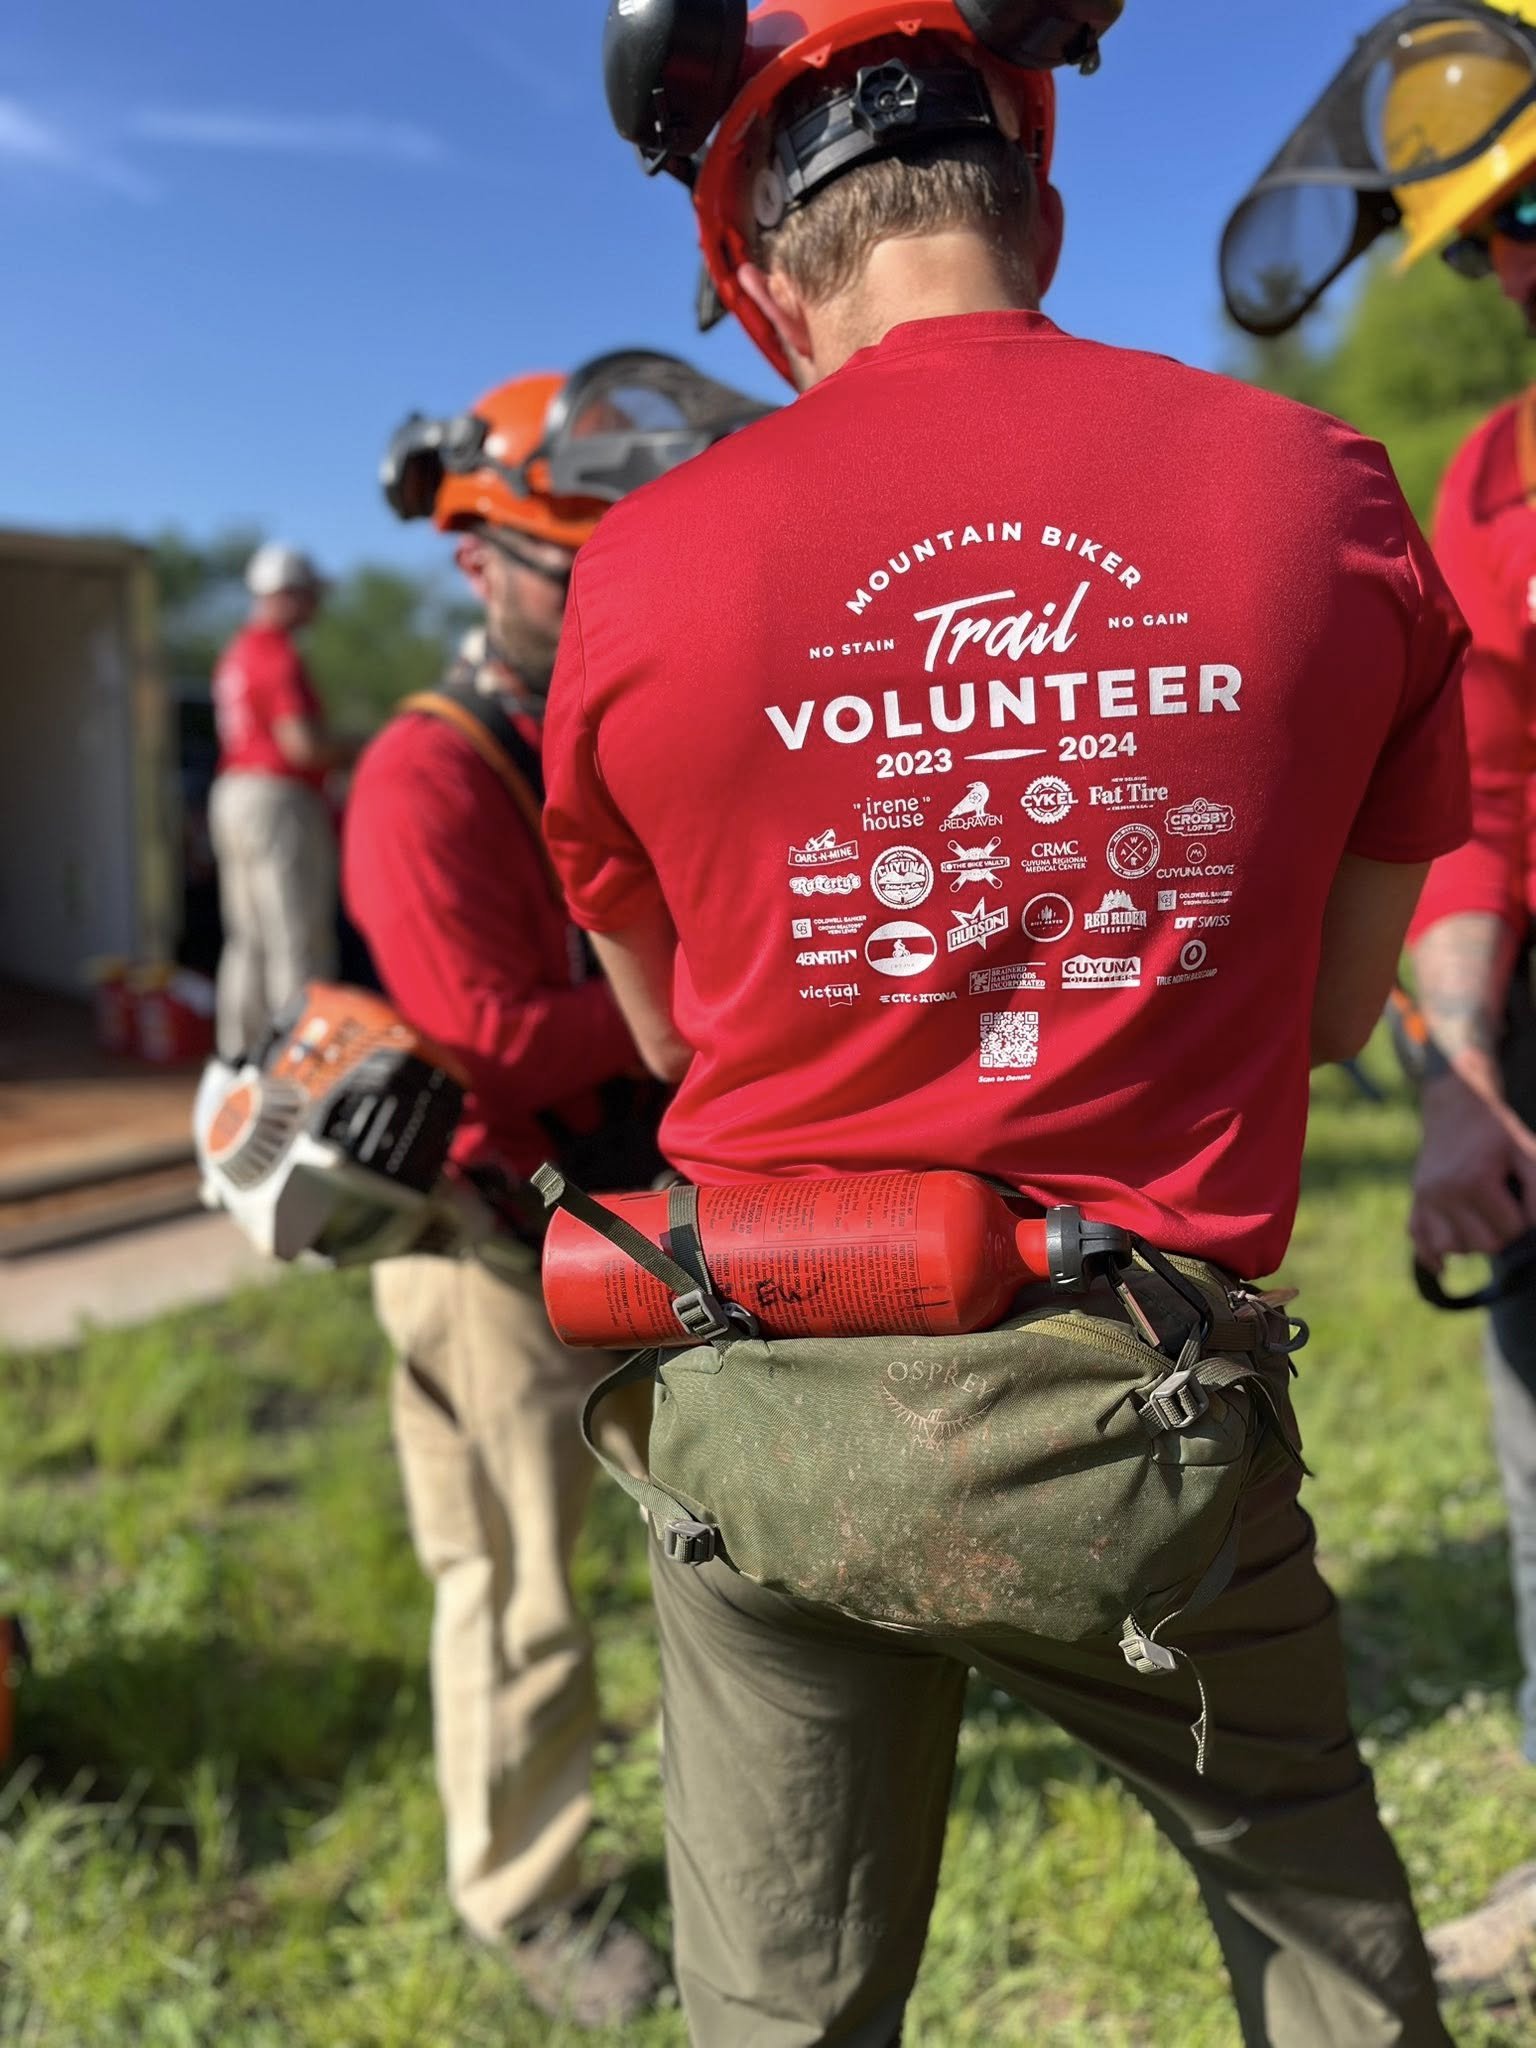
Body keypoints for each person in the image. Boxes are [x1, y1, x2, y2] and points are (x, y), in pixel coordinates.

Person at [540, 3, 1474, 2041]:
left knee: (781, 2005)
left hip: (772, 1395)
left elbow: (681, 1053)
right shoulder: (1324, 493)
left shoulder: (638, 571)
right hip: (1144, 1421)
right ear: (1037, 203)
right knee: (1322, 1936)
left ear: (767, 274)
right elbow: (1327, 1018)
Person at [344, 358, 764, 2027]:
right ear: (477, 563)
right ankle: (526, 1894)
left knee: (721, 1537)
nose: (601, 592)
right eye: (567, 566)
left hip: (635, 1210)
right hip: (491, 1243)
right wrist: (720, 988)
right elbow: (490, 1032)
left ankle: (729, 1798)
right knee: (517, 1584)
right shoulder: (425, 772)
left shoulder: (608, 725)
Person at [1221, 0, 1536, 2006]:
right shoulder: (1493, 480)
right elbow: (1483, 808)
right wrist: (1461, 1075)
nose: (1515, 268)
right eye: (1492, 238)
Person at [209, 542, 354, 1058]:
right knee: (298, 937)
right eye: (310, 595)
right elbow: (303, 746)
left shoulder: (238, 650)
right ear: (287, 595)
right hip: (277, 798)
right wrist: (367, 743)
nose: (315, 605)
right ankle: (302, 1067)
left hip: (234, 792)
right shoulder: (276, 652)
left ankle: (239, 1058)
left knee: (248, 939)